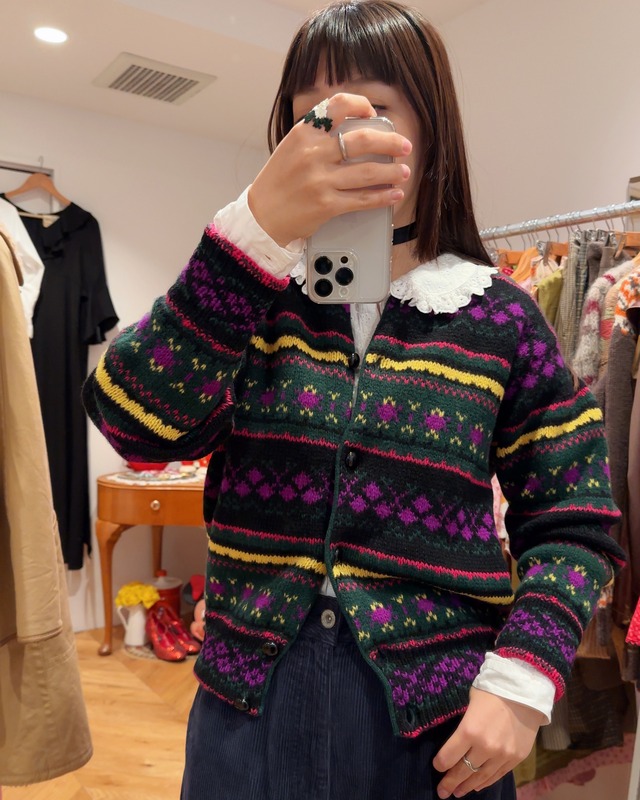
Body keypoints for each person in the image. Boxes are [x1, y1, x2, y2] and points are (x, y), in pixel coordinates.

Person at [83, 2, 626, 798]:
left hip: (435, 730)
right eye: (311, 119)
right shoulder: (245, 296)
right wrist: (250, 235)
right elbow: (133, 425)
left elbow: (575, 515)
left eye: (370, 111)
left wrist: (523, 677)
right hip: (247, 713)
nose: (336, 139)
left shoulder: (500, 319)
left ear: (431, 134)